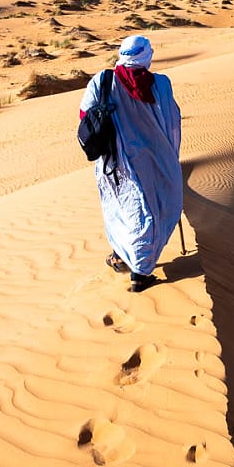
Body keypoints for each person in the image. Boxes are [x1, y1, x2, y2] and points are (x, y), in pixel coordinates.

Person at [79, 35, 183, 292]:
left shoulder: (102, 81)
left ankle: (131, 260)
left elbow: (85, 116)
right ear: (147, 56)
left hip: (117, 161)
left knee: (125, 207)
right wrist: (171, 153)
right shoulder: (161, 84)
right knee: (157, 206)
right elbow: (173, 122)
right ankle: (139, 268)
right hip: (157, 158)